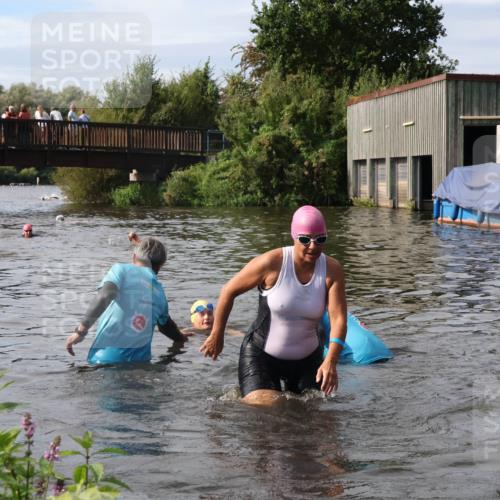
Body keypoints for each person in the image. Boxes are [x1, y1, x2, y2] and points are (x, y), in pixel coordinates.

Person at [200, 205, 347, 405]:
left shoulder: (332, 270)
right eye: (305, 240)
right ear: (294, 237)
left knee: (315, 419)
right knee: (271, 409)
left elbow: (338, 318)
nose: (313, 246)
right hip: (262, 356)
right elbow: (228, 290)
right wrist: (217, 334)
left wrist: (331, 360)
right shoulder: (272, 263)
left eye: (320, 240)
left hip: (308, 359)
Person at [65, 237, 190, 364]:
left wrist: (80, 332)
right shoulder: (160, 293)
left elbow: (105, 295)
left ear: (134, 257)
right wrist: (181, 338)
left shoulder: (121, 270)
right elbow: (166, 326)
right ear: (162, 265)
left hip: (105, 361)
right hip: (141, 365)